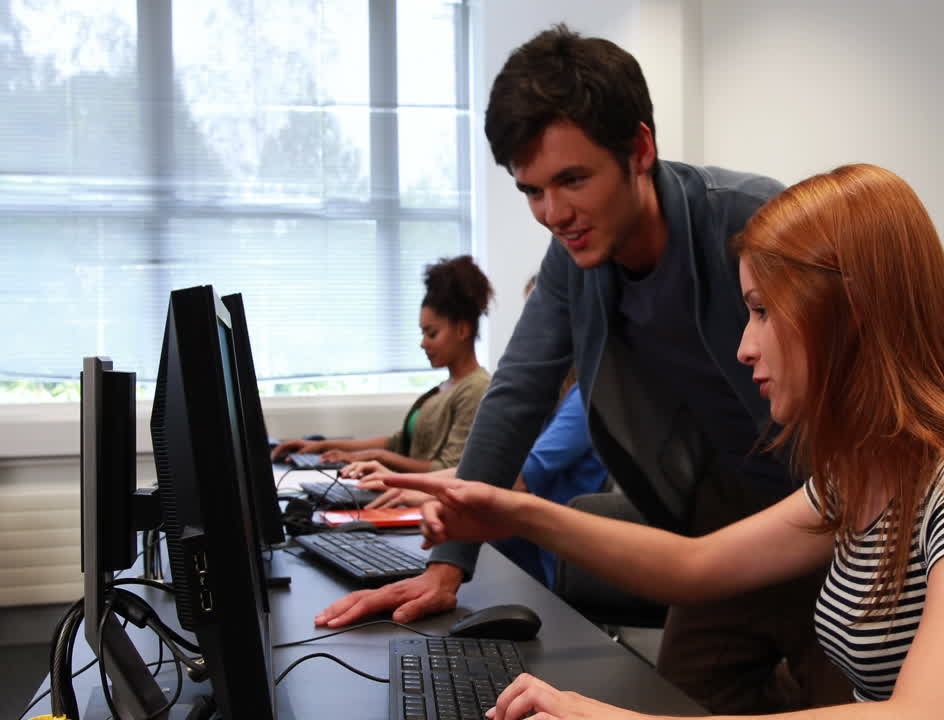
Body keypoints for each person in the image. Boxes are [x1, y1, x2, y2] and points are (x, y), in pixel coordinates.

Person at [381, 164, 944, 720]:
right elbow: (696, 567)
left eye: (762, 312)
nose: (744, 347)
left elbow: (933, 714)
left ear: (852, 315)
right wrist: (514, 511)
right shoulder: (862, 477)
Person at [313, 24, 848, 713]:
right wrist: (448, 566)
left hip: (832, 513)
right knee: (676, 699)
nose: (553, 214)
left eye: (572, 180)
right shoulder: (573, 264)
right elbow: (516, 396)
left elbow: (880, 363)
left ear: (641, 150)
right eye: (532, 191)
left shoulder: (751, 221)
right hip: (721, 519)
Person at [363, 275, 608, 588]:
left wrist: (427, 489)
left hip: (546, 560)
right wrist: (415, 486)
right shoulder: (554, 396)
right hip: (513, 544)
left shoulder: (586, 393)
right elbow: (494, 468)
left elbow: (519, 477)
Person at [271, 255, 493, 474]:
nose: (423, 343)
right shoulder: (447, 386)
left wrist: (374, 457)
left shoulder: (475, 389)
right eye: (422, 333)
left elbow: (448, 469)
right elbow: (396, 444)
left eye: (432, 333)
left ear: (463, 330)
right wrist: (325, 446)